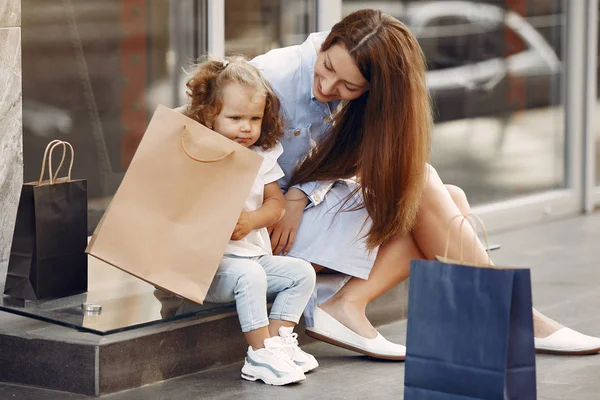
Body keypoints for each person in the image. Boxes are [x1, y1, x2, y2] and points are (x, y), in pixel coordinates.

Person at [249, 9, 600, 360]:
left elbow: (339, 164)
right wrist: (282, 202)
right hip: (262, 234)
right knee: (427, 188)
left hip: (302, 219)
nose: (327, 87)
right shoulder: (272, 75)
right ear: (325, 43)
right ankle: (515, 316)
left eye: (349, 87)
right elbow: (224, 160)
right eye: (325, 67)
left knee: (447, 197)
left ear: (375, 90)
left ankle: (348, 303)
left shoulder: (366, 100)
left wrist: (299, 193)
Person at [183, 56, 318, 385]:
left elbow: (276, 204)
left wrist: (253, 219)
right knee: (251, 276)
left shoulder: (261, 156)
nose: (246, 127)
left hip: (254, 258)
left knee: (301, 273)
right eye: (235, 118)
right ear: (210, 115)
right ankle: (258, 356)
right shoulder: (197, 153)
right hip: (212, 269)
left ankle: (277, 343)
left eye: (254, 118)